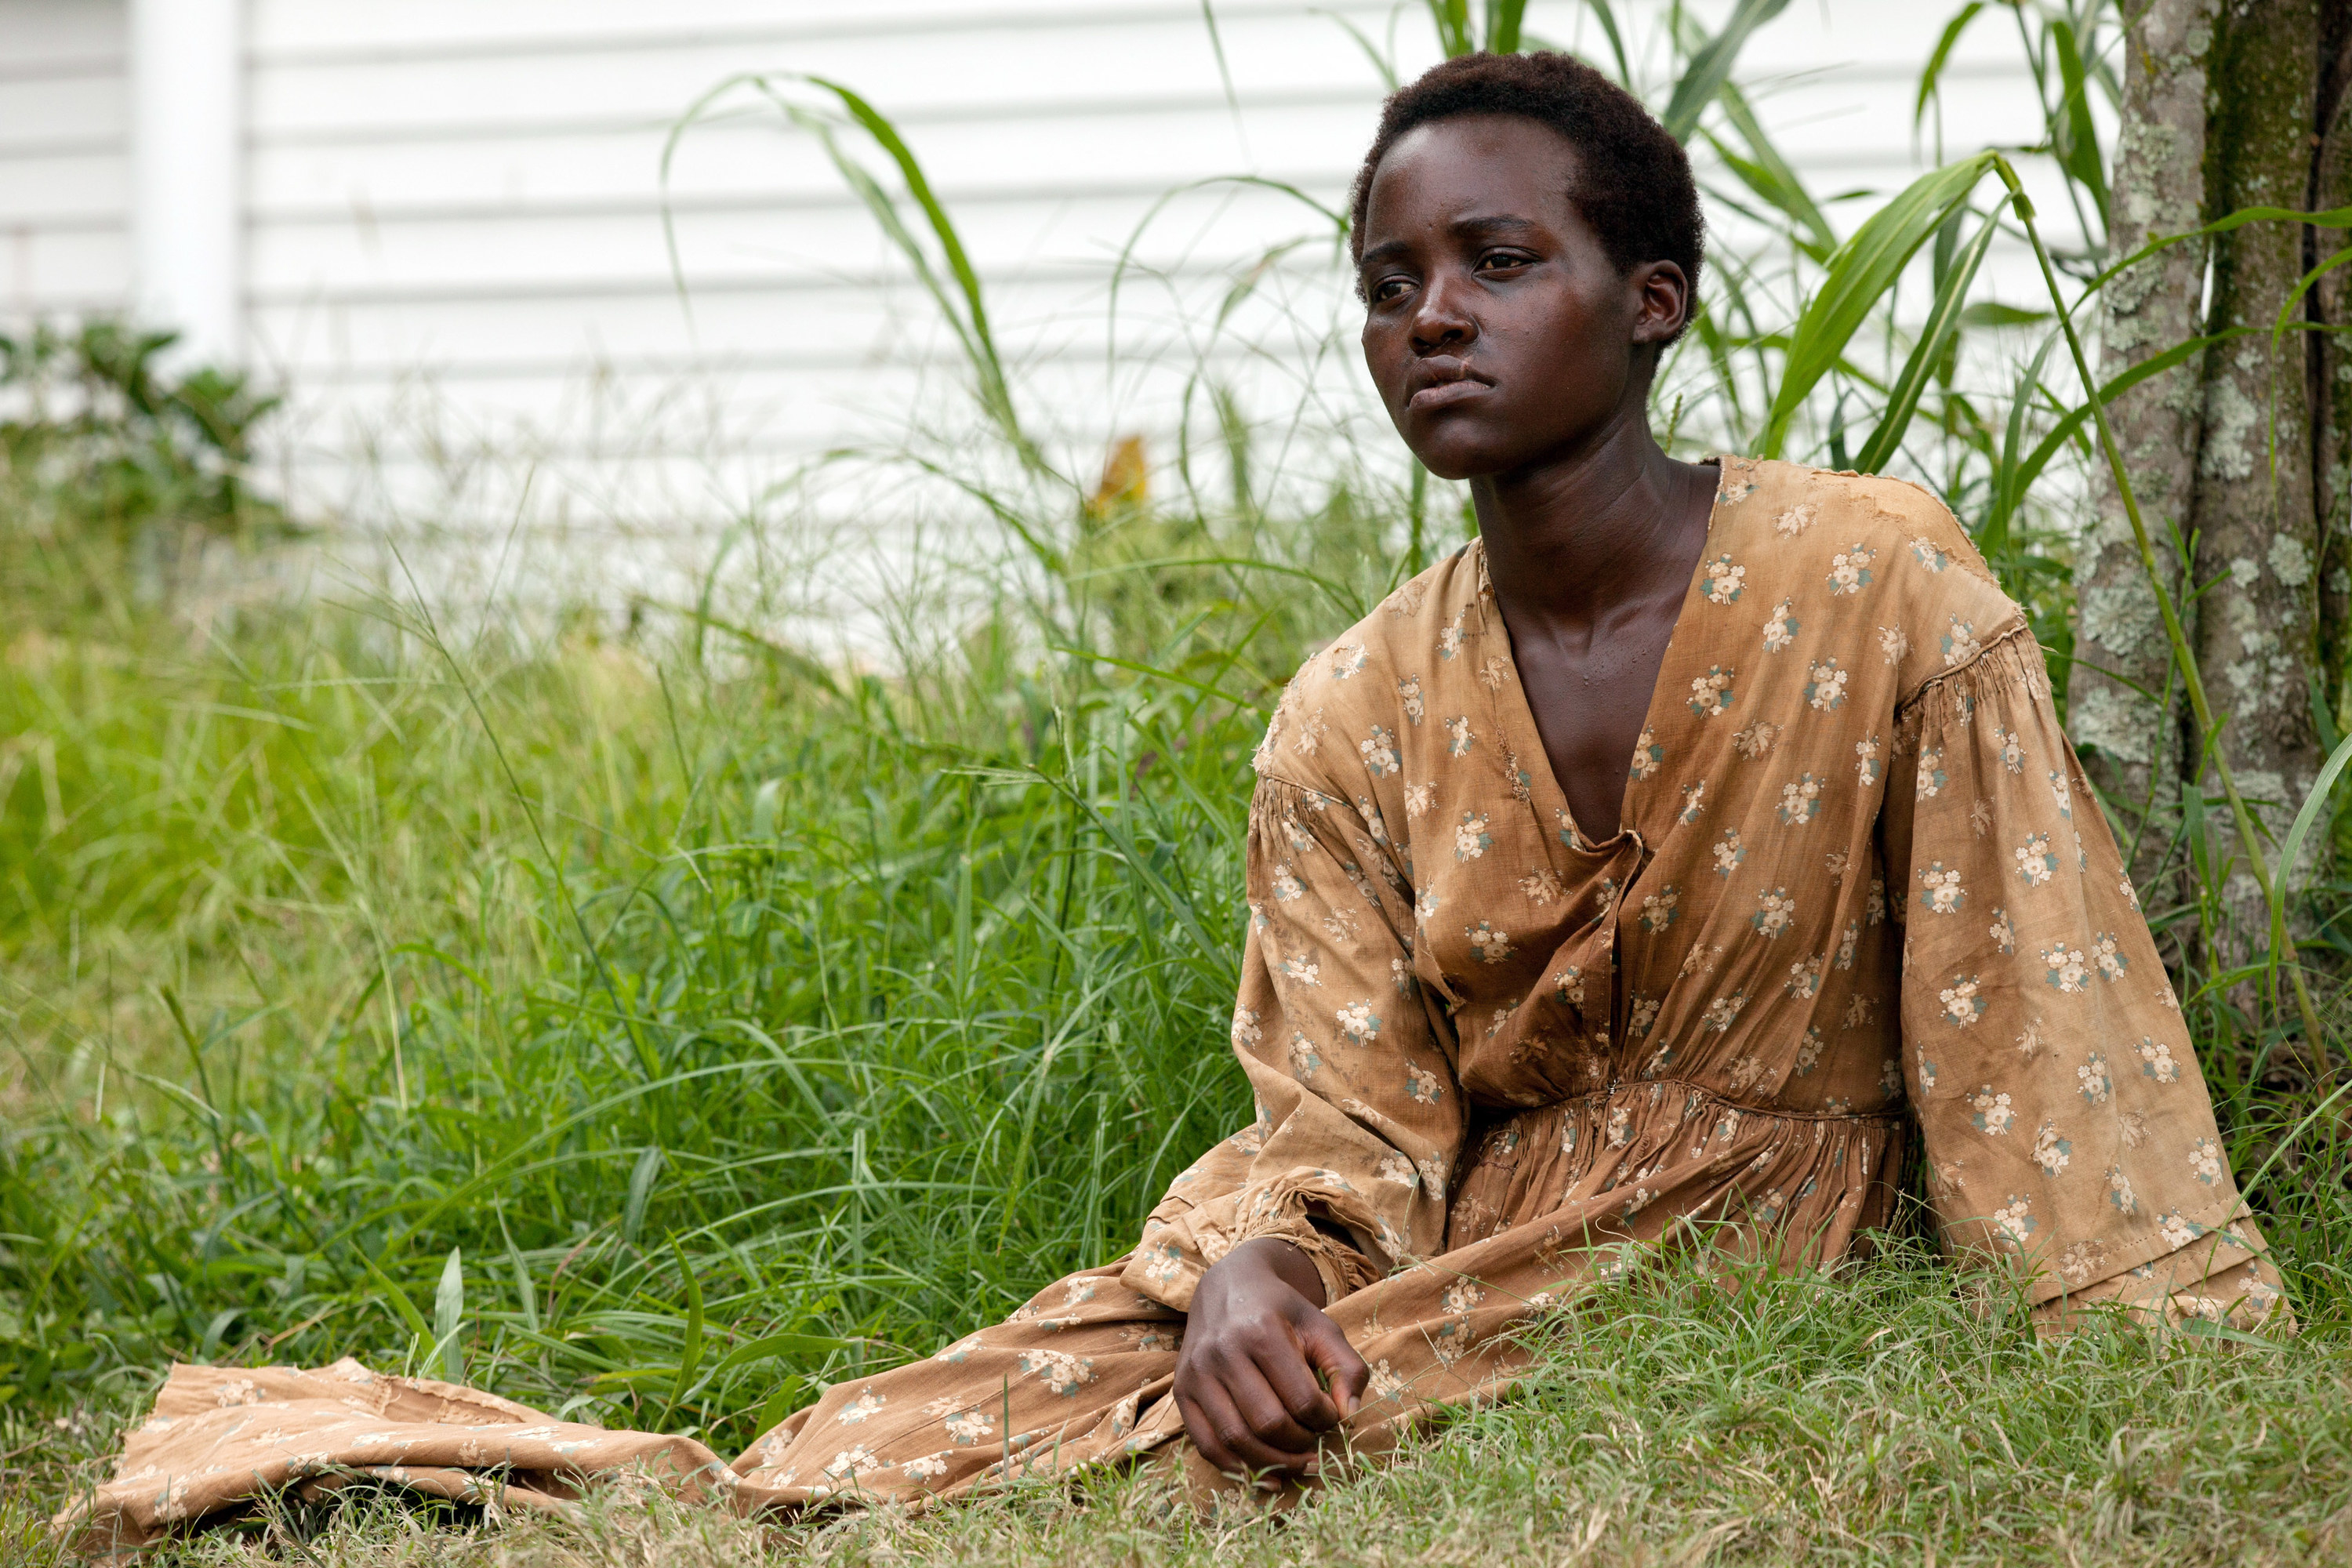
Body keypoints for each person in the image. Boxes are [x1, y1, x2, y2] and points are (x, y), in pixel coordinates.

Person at [60, 49, 2287, 1552]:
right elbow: (1345, 1102)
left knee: (1152, 1467)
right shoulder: (1353, 708)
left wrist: (2139, 1328)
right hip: (1461, 1220)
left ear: (1653, 299)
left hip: (1749, 1223)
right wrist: (1250, 1264)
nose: (1434, 317)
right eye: (1389, 284)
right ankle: (384, 1463)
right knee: (914, 1433)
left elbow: (2030, 1001)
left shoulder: (1876, 584)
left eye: (1500, 263)